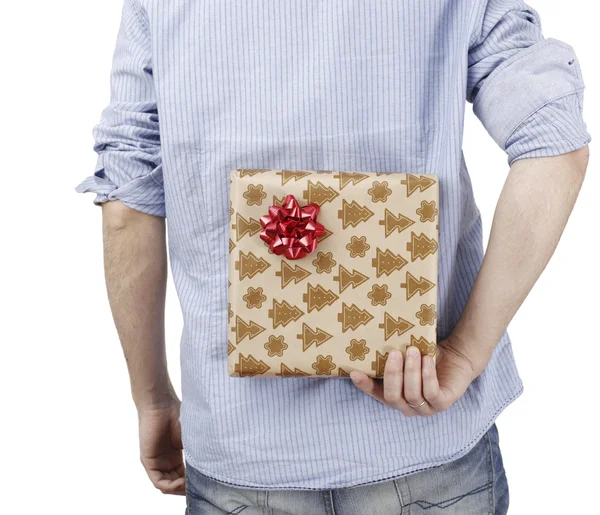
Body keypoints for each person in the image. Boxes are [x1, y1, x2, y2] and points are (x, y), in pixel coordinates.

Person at [75, 0, 590, 513]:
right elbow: (555, 140)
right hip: (426, 436)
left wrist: (154, 399)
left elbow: (126, 204)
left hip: (241, 452)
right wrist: (466, 352)